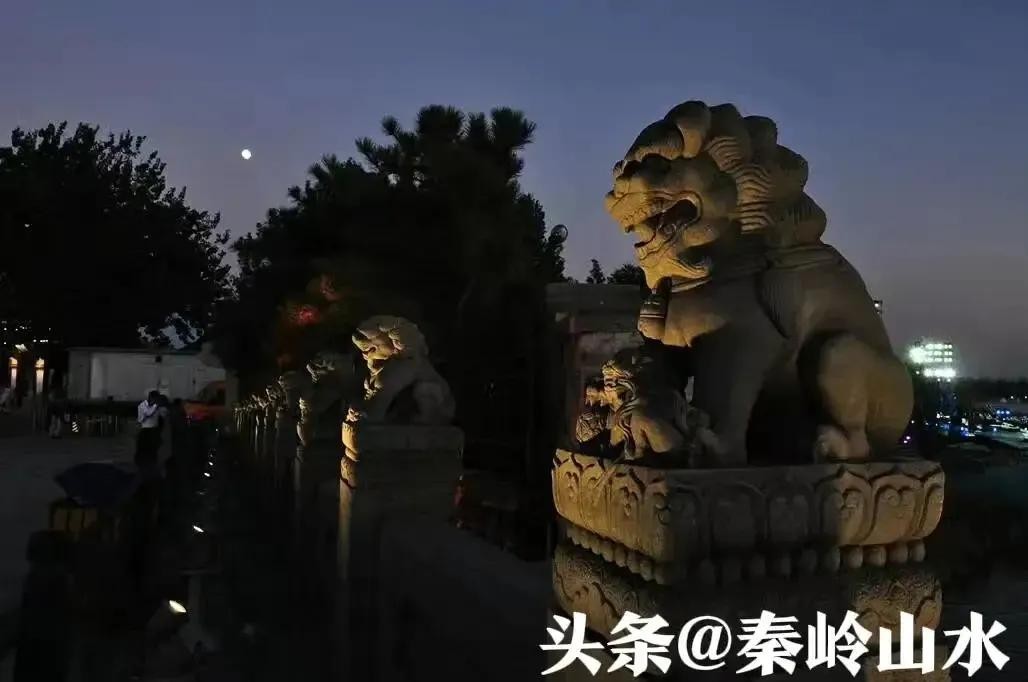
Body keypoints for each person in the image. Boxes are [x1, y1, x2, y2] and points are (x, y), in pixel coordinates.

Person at [135, 390, 163, 474]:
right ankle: (143, 466)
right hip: (145, 430)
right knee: (144, 449)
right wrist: (155, 406)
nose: (157, 401)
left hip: (154, 430)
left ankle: (152, 466)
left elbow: (161, 417)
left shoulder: (157, 407)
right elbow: (148, 413)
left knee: (153, 449)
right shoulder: (143, 405)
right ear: (151, 398)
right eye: (156, 399)